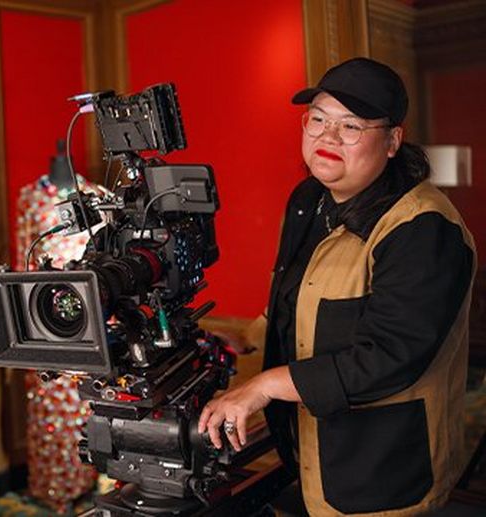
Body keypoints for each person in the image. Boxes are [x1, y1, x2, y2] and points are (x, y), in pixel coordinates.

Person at [198, 57, 476, 515]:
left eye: (351, 126)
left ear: (392, 141)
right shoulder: (309, 199)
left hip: (382, 469)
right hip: (306, 449)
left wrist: (265, 386)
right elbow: (300, 296)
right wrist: (245, 338)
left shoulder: (424, 228)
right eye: (319, 119)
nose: (327, 137)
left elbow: (391, 355)